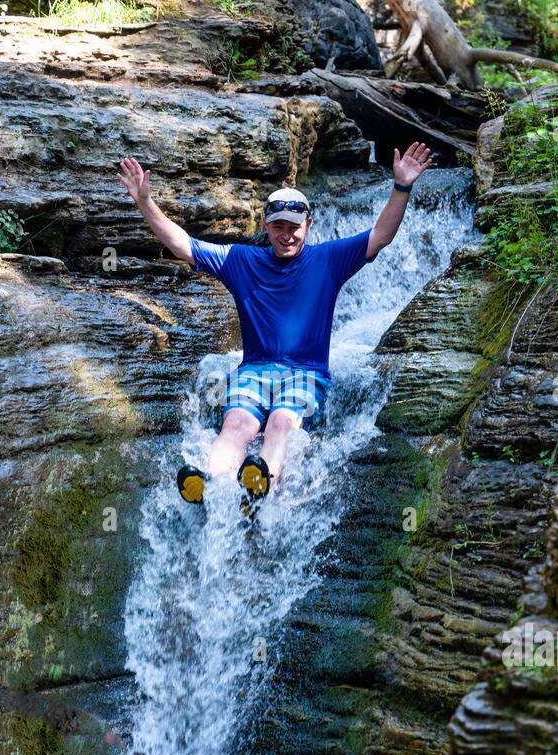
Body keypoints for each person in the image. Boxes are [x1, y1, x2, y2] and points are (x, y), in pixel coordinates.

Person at [116, 142, 433, 512]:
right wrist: (144, 202)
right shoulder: (241, 260)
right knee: (236, 424)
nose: (287, 235)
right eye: (279, 227)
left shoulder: (329, 260)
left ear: (308, 225)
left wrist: (402, 187)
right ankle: (208, 482)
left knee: (282, 421)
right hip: (253, 372)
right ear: (266, 226)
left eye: (295, 227)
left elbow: (380, 235)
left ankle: (259, 483)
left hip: (306, 374)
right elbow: (183, 245)